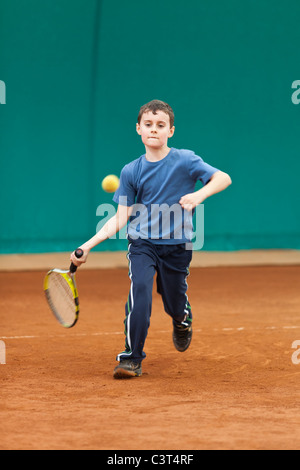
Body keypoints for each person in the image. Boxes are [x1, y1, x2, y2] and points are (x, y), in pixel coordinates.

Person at [70, 99, 232, 379]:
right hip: (142, 245)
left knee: (174, 303)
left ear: (171, 131)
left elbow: (223, 178)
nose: (154, 130)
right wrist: (86, 246)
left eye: (160, 125)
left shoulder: (185, 160)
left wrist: (199, 194)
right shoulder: (131, 171)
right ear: (138, 129)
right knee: (140, 294)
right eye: (148, 125)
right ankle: (131, 358)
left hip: (178, 246)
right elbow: (120, 218)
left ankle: (182, 319)